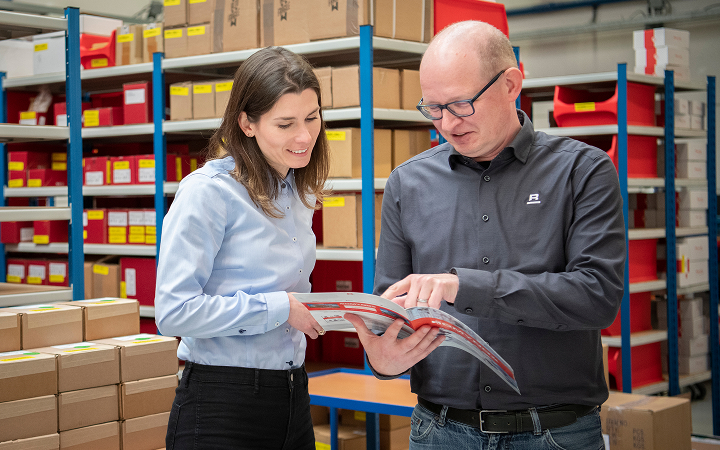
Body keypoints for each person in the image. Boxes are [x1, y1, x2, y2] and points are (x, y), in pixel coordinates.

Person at [345, 21, 626, 449]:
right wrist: (384, 358)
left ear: (511, 84)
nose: (447, 124)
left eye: (460, 104)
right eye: (433, 108)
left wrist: (464, 286)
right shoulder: (409, 183)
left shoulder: (581, 171)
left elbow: (596, 297)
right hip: (439, 432)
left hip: (553, 433)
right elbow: (394, 308)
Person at [155, 46, 330, 450]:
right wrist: (281, 307)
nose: (304, 136)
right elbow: (173, 312)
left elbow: (287, 291)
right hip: (223, 402)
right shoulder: (208, 193)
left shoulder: (296, 190)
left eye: (312, 117)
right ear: (247, 124)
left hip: (292, 394)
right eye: (285, 124)